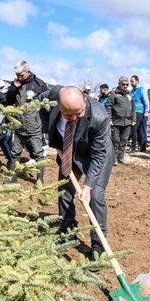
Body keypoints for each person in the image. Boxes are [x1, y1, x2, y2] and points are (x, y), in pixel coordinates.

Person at [47, 86, 114, 258]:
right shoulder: (51, 98)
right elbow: (40, 112)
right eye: (68, 115)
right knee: (64, 190)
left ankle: (98, 247)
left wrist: (88, 186)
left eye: (79, 112)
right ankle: (68, 230)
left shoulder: (100, 117)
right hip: (70, 150)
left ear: (84, 100)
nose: (75, 118)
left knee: (96, 195)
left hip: (98, 154)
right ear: (59, 105)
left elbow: (99, 156)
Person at [5, 60, 50, 184]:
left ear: (27, 71)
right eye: (17, 75)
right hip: (19, 127)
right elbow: (8, 101)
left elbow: (47, 107)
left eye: (22, 75)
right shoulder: (16, 84)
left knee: (38, 154)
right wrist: (13, 88)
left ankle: (39, 180)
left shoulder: (39, 84)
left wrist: (45, 128)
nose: (19, 77)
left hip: (35, 127)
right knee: (15, 153)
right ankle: (12, 177)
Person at [107, 76, 135, 165]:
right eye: (123, 84)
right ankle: (114, 158)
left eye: (127, 84)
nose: (125, 86)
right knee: (116, 141)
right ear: (119, 84)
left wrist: (134, 118)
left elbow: (133, 107)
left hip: (127, 122)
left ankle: (121, 157)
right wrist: (109, 119)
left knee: (124, 141)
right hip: (116, 122)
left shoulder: (130, 95)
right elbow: (109, 107)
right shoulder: (114, 94)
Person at [128, 75, 150, 152]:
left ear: (137, 81)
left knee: (133, 128)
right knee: (138, 130)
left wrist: (146, 111)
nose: (131, 83)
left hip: (139, 112)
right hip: (133, 112)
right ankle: (142, 145)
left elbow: (146, 101)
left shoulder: (141, 90)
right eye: (130, 81)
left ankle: (133, 146)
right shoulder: (131, 91)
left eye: (132, 81)